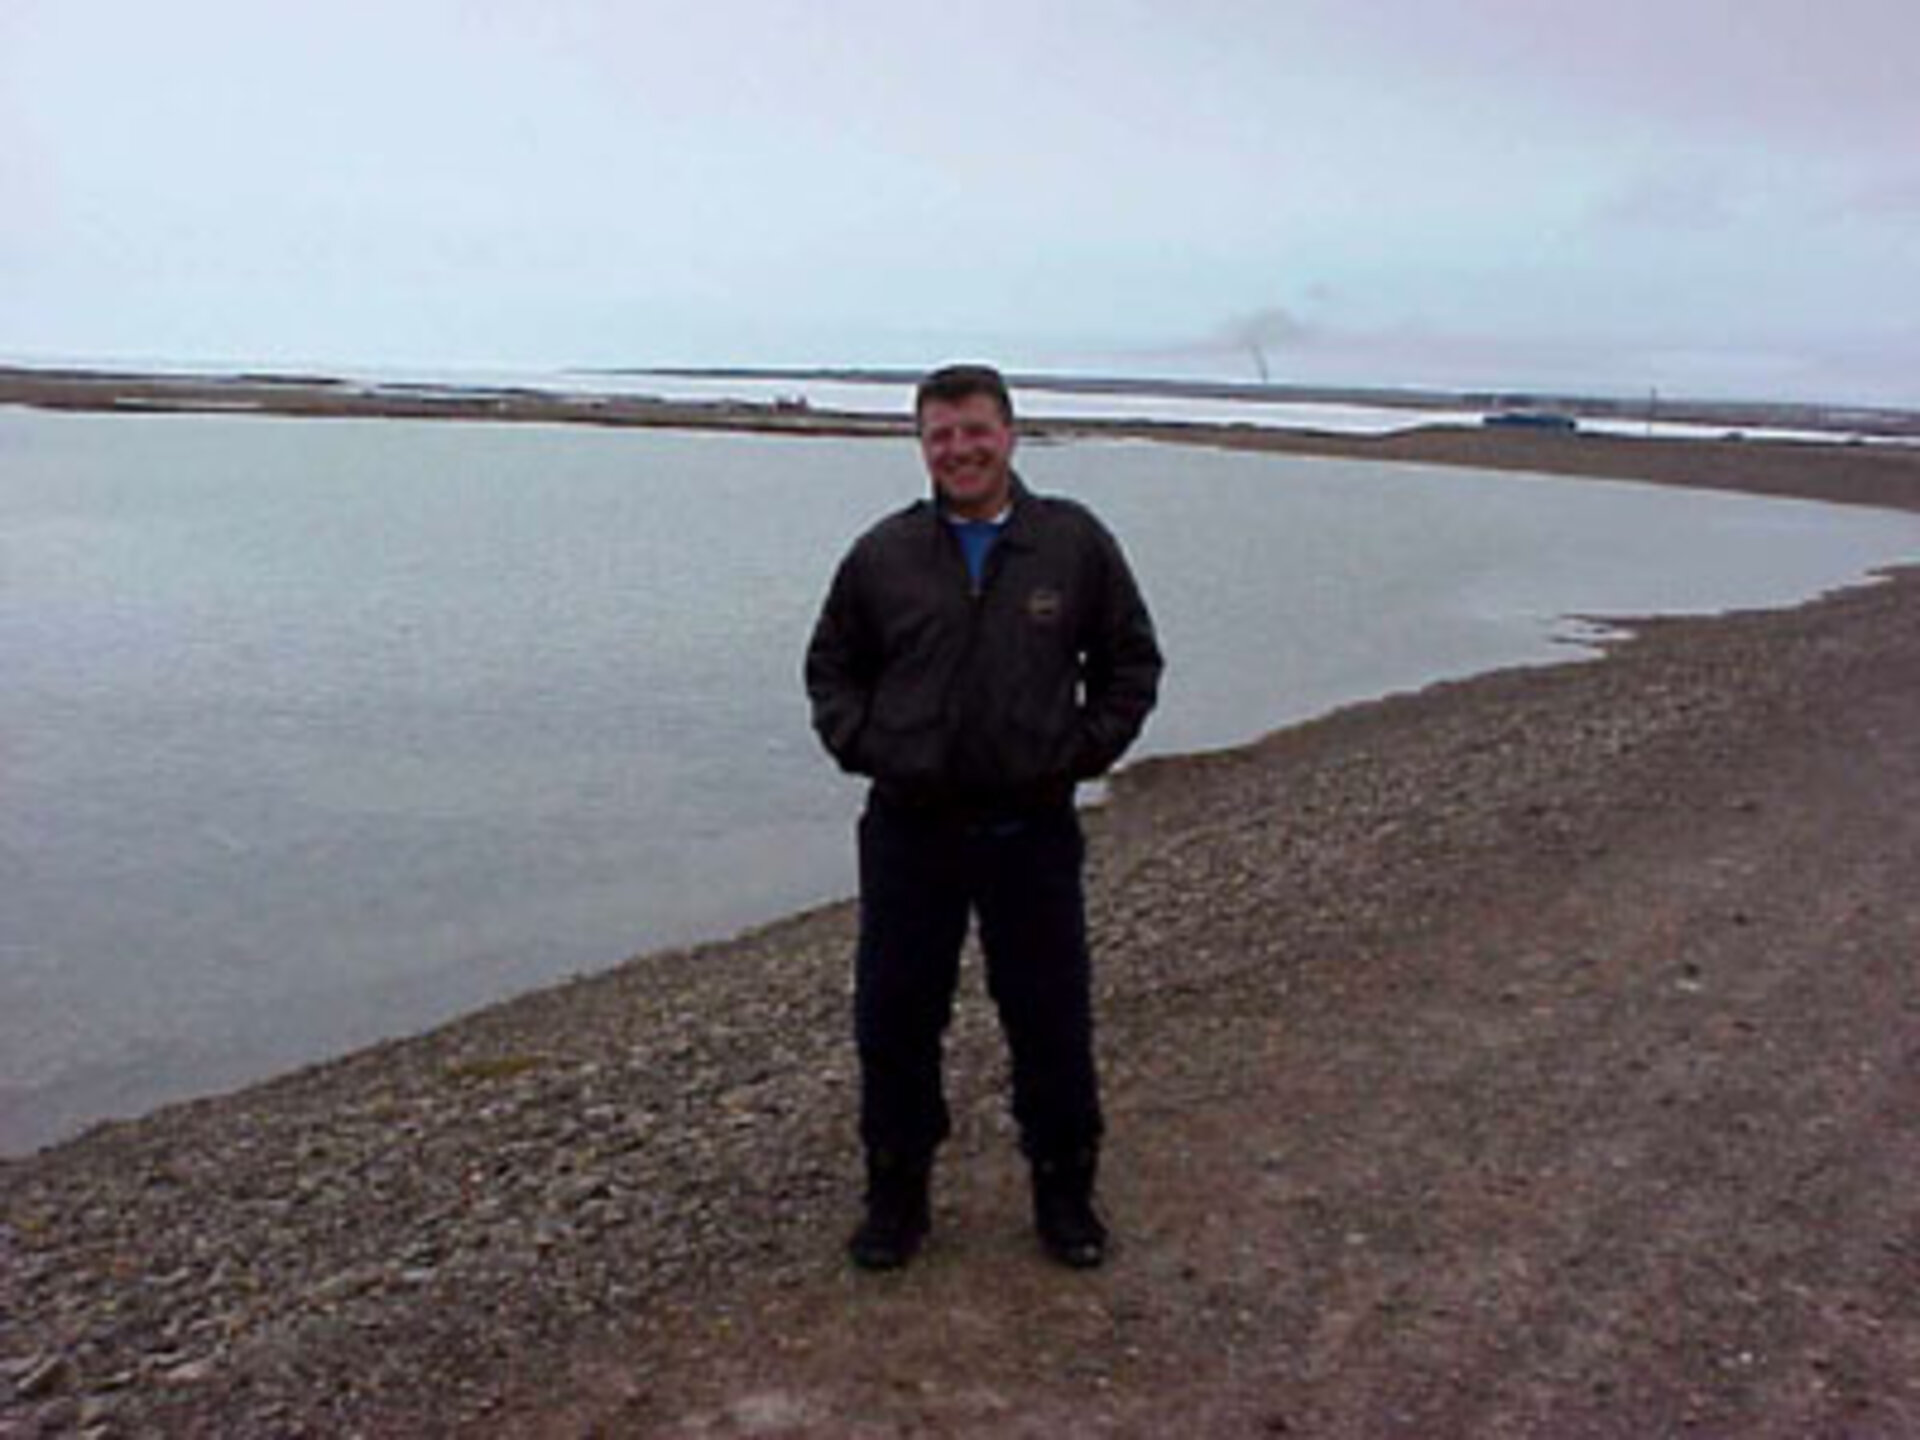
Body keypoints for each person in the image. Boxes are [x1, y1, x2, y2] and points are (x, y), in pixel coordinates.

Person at [804, 363, 1163, 1270]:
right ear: (921, 445)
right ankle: (896, 1197)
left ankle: (1066, 1194)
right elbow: (830, 668)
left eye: (974, 431)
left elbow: (1130, 665)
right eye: (940, 435)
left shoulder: (1071, 544)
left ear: (1009, 433)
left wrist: (1077, 753)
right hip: (908, 831)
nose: (959, 450)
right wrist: (867, 745)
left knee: (1049, 1019)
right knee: (893, 1020)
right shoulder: (883, 554)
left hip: (1029, 831)